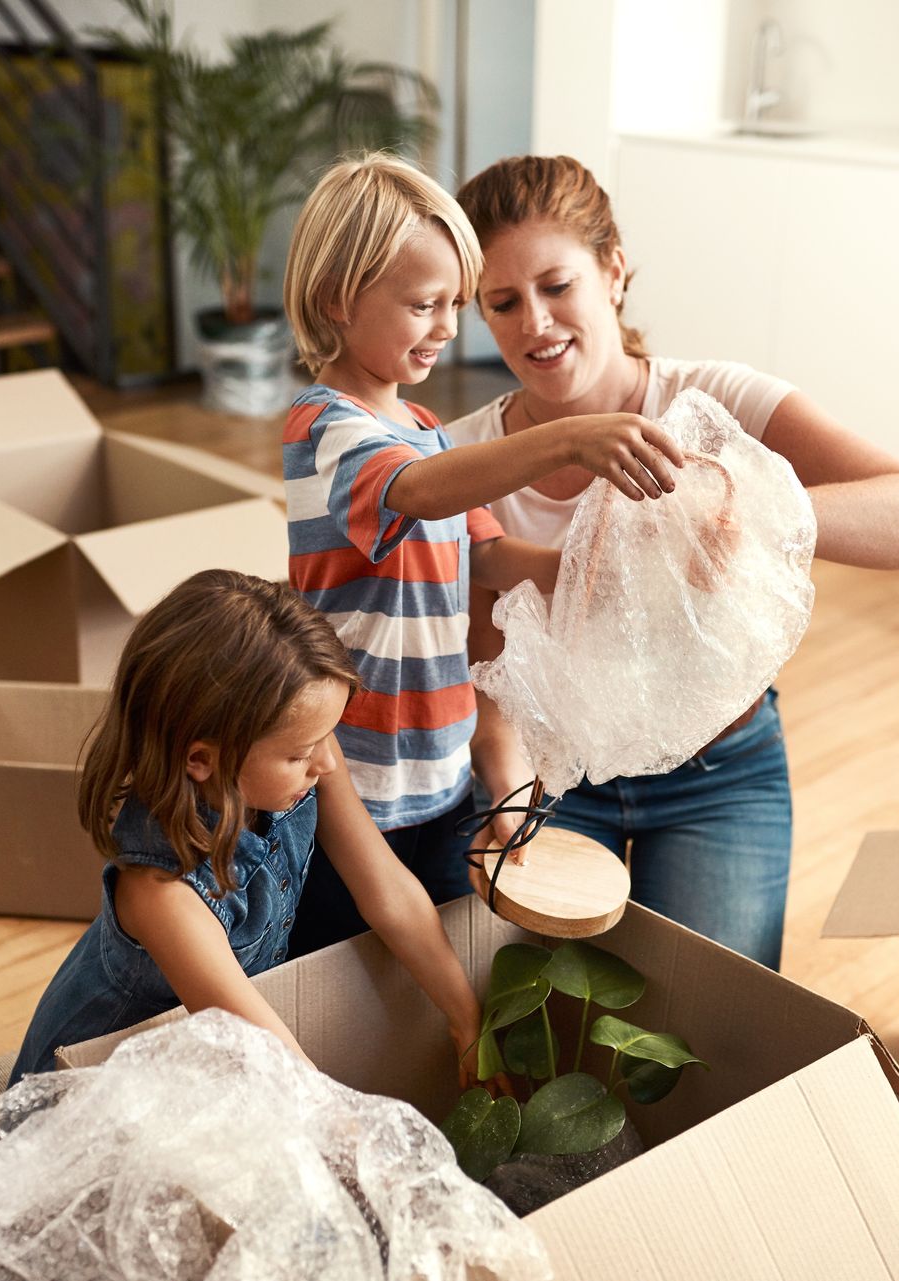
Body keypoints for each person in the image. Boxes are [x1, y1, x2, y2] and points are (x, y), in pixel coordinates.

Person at [451, 154, 899, 971]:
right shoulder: (466, 456)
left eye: (557, 286)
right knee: (534, 1037)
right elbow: (486, 663)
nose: (535, 325)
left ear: (613, 271)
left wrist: (743, 515)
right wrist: (508, 797)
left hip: (720, 776)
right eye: (503, 303)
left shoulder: (717, 401)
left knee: (707, 1042)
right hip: (553, 780)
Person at [278, 152, 690, 955]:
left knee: (440, 963)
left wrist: (609, 574)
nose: (445, 328)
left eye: (455, 306)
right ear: (336, 299)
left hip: (442, 773)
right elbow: (420, 491)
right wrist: (566, 438)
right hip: (352, 776)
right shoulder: (324, 429)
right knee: (338, 972)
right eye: (425, 305)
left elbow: (493, 561)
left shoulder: (426, 427)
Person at [5, 569, 486, 1080]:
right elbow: (271, 1056)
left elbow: (388, 890)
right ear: (201, 759)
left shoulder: (306, 756)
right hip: (88, 1084)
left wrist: (466, 1019)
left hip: (192, 1053)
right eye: (302, 752)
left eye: (329, 735)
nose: (326, 762)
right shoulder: (159, 893)